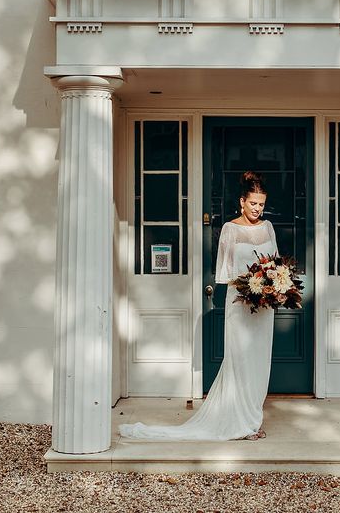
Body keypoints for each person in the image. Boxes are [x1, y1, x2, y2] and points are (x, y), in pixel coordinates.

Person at [119, 171, 278, 441]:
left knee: (259, 363)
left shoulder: (268, 228)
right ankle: (238, 422)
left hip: (264, 308)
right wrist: (249, 285)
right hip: (240, 304)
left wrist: (272, 287)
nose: (257, 209)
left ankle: (253, 419)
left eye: (261, 204)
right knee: (240, 362)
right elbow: (225, 274)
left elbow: (275, 265)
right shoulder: (230, 229)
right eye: (253, 203)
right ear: (242, 201)